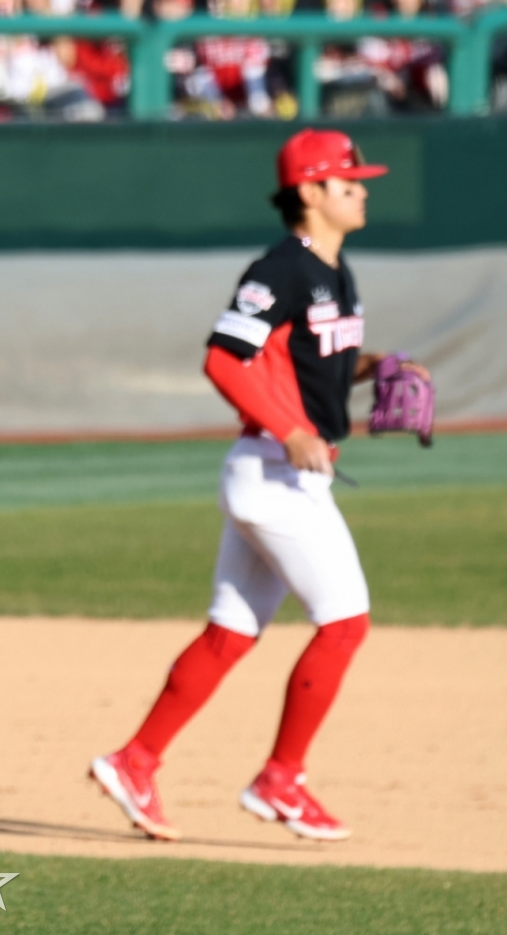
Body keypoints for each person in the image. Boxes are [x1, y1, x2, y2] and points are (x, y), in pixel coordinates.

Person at [89, 129, 430, 843]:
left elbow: (313, 361)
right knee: (345, 622)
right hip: (277, 472)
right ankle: (281, 777)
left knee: (230, 633)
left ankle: (134, 759)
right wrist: (291, 428)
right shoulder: (279, 269)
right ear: (310, 192)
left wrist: (378, 367)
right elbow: (225, 358)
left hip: (281, 474)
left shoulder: (336, 272)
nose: (362, 189)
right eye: (348, 181)